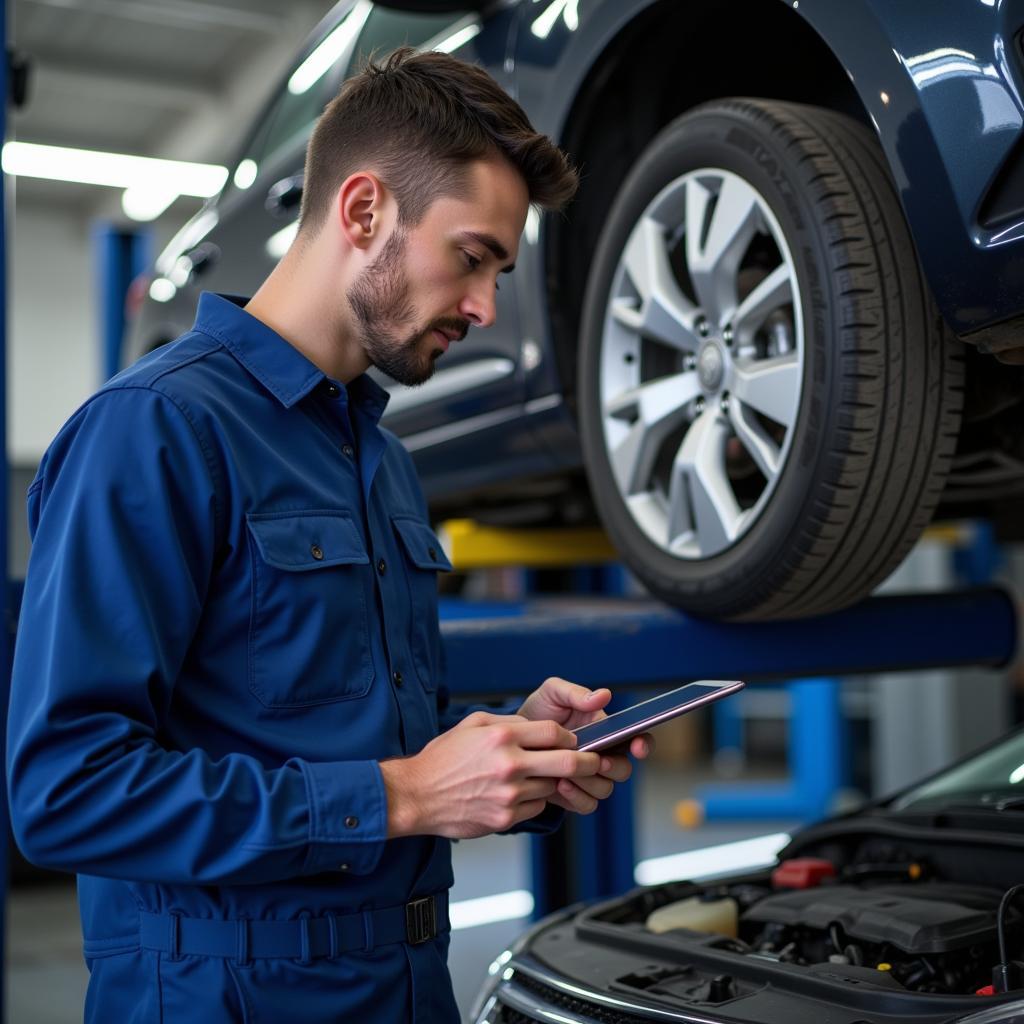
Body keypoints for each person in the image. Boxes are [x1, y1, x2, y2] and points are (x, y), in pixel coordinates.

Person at [6, 47, 651, 1023]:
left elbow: (327, 721)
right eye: (472, 257)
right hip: (219, 995)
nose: (484, 306)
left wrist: (502, 751)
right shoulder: (156, 430)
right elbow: (65, 789)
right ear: (362, 212)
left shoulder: (379, 459)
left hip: (404, 984)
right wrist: (399, 795)